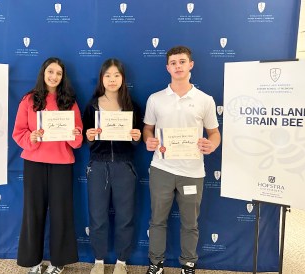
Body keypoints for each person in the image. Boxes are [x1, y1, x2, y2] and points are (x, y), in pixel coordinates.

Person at [143, 46, 221, 274]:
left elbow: (214, 133)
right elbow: (148, 129)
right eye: (173, 62)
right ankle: (155, 263)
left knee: (190, 223)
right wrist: (149, 140)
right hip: (161, 168)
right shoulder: (155, 99)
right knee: (157, 220)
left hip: (192, 171)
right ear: (168, 67)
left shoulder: (205, 100)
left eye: (182, 61)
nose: (178, 66)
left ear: (190, 65)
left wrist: (212, 144)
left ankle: (188, 263)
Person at [12, 57, 83, 274]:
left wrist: (74, 134)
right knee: (33, 211)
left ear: (63, 78)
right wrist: (30, 138)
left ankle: (58, 261)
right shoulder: (28, 100)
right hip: (34, 163)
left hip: (62, 163)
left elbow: (77, 141)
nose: (54, 76)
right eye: (50, 71)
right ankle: (33, 260)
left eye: (58, 73)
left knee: (61, 212)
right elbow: (18, 132)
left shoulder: (69, 102)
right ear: (43, 73)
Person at [83, 59, 143, 274]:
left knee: (125, 216)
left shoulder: (132, 106)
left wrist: (136, 137)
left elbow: (138, 140)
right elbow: (85, 139)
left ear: (123, 78)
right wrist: (88, 136)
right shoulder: (91, 106)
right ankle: (98, 260)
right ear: (102, 78)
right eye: (107, 75)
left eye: (116, 75)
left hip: (124, 165)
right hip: (98, 166)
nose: (112, 79)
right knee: (97, 216)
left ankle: (122, 261)